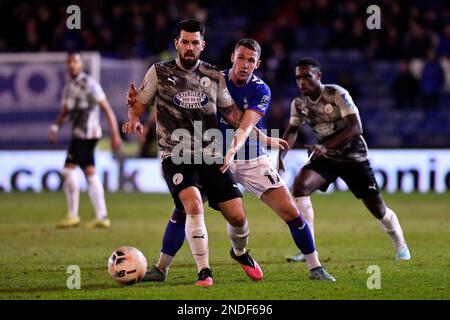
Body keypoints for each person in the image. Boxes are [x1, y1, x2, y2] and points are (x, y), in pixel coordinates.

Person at [127, 39, 335, 283]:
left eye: (250, 60)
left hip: (251, 156)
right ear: (232, 58)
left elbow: (245, 124)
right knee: (186, 206)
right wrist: (139, 103)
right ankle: (161, 268)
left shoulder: (260, 90)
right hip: (211, 155)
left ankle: (313, 266)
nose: (244, 64)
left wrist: (251, 143)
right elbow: (181, 103)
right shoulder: (212, 79)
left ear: (257, 64)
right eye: (241, 58)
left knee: (289, 210)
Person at [122, 20, 278, 287]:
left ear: (202, 45)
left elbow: (233, 115)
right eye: (185, 41)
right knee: (191, 204)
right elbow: (139, 103)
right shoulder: (159, 72)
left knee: (238, 216)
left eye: (195, 43)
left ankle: (239, 252)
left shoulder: (214, 75)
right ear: (177, 44)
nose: (190, 47)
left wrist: (259, 134)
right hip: (175, 153)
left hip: (210, 154)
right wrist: (134, 117)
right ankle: (204, 272)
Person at [278, 57, 411, 262]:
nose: (302, 82)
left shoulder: (336, 94)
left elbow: (356, 127)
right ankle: (308, 248)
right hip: (328, 157)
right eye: (298, 78)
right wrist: (280, 156)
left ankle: (400, 245)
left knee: (378, 209)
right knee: (301, 186)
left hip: (353, 157)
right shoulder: (299, 104)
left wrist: (325, 146)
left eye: (307, 76)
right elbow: (292, 130)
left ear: (319, 77)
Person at [49, 52, 122, 229]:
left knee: (68, 170)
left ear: (81, 65)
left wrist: (115, 134)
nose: (72, 65)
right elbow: (65, 111)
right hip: (80, 135)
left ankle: (73, 215)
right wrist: (55, 127)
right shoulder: (69, 88)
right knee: (90, 172)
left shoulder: (90, 84)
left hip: (87, 135)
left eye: (75, 62)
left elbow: (106, 109)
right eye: (69, 62)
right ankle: (102, 216)